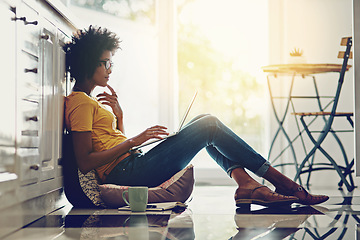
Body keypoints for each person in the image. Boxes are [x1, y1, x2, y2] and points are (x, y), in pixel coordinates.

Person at [64, 26, 329, 208]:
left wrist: (119, 118)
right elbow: (86, 162)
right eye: (106, 63)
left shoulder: (87, 101)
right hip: (128, 173)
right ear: (90, 62)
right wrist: (134, 140)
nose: (110, 69)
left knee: (205, 122)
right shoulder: (80, 103)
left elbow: (107, 143)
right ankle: (279, 181)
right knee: (209, 125)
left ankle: (246, 183)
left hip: (132, 165)